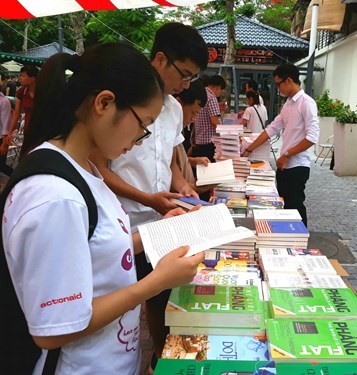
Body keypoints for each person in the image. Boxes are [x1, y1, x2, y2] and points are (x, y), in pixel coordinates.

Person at [1, 42, 204, 375]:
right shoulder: (55, 196)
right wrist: (155, 281)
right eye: (143, 125)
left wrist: (162, 231)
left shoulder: (85, 169)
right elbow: (55, 329)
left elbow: (95, 246)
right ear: (104, 103)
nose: (140, 139)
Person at [90, 22, 209, 368]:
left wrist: (181, 188)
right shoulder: (123, 98)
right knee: (123, 299)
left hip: (161, 217)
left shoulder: (172, 108)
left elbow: (169, 161)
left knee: (162, 297)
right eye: (184, 75)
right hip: (123, 219)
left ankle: (160, 356)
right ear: (160, 59)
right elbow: (100, 167)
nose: (185, 85)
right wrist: (147, 198)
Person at [241, 63, 319, 227]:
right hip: (284, 166)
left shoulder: (306, 103)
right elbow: (271, 129)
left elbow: (312, 137)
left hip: (297, 166)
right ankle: (290, 241)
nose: (277, 88)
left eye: (278, 84)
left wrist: (287, 154)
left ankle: (300, 242)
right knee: (285, 207)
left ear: (289, 80)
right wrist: (248, 149)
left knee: (295, 207)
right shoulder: (289, 104)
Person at [173, 79, 215, 194]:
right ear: (178, 104)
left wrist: (193, 161)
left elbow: (176, 162)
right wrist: (197, 188)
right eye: (193, 113)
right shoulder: (168, 130)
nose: (193, 119)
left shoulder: (177, 129)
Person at [0, 65, 38, 157]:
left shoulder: (44, 92)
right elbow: (16, 113)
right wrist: (10, 133)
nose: (19, 78)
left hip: (41, 132)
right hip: (27, 131)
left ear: (32, 78)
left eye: (23, 76)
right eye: (20, 75)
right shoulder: (21, 92)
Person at [192, 74, 226, 164]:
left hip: (199, 140)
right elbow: (214, 122)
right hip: (209, 143)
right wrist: (227, 135)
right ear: (218, 88)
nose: (220, 94)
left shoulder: (202, 94)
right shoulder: (212, 98)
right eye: (221, 91)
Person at [0, 77, 13, 176]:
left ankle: (17, 178)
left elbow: (6, 123)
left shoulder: (4, 101)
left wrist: (4, 143)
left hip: (1, 137)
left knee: (1, 165)